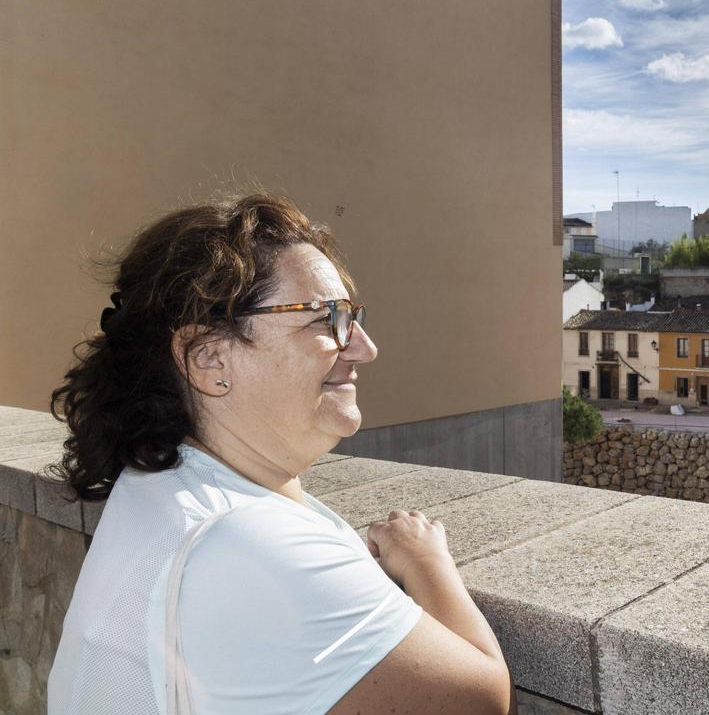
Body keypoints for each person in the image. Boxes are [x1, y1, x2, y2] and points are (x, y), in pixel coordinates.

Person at [45, 192, 517, 714]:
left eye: (353, 316)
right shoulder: (246, 543)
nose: (364, 347)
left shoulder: (163, 486)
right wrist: (427, 561)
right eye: (327, 318)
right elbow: (480, 698)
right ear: (209, 359)